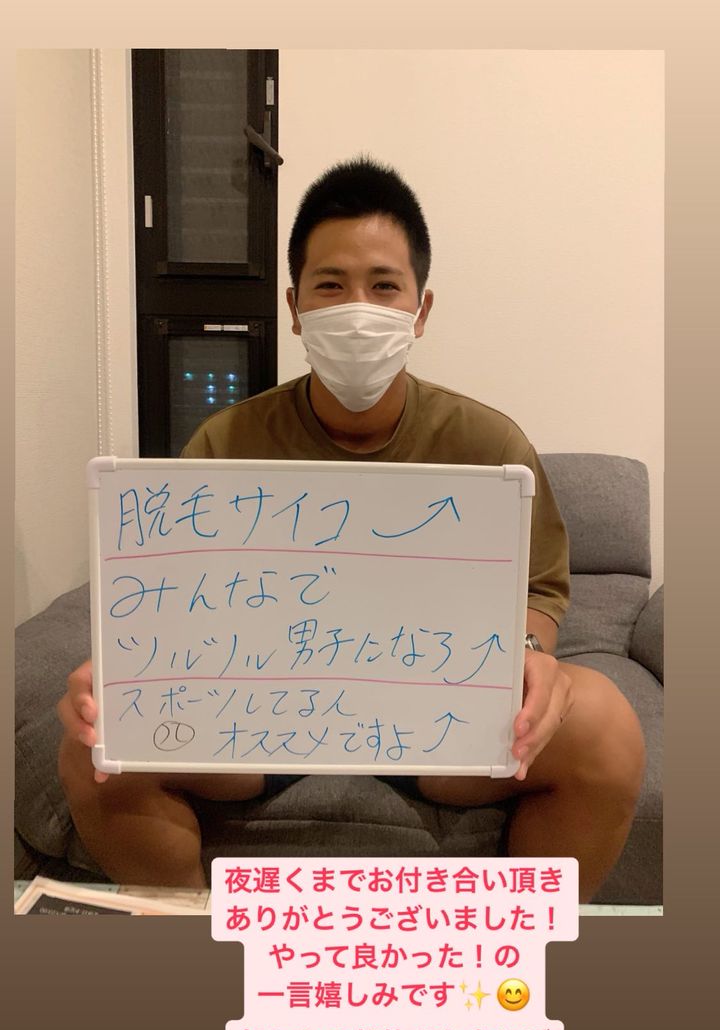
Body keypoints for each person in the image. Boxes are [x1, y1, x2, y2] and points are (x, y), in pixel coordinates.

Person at [58, 157, 645, 901]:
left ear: (420, 310)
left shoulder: (489, 445)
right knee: (96, 743)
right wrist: (126, 676)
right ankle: (188, 944)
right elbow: (176, 598)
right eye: (330, 286)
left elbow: (539, 590)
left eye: (384, 286)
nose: (357, 309)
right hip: (258, 724)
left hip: (440, 722)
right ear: (295, 306)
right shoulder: (225, 442)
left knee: (607, 726)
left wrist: (529, 658)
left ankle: (507, 954)